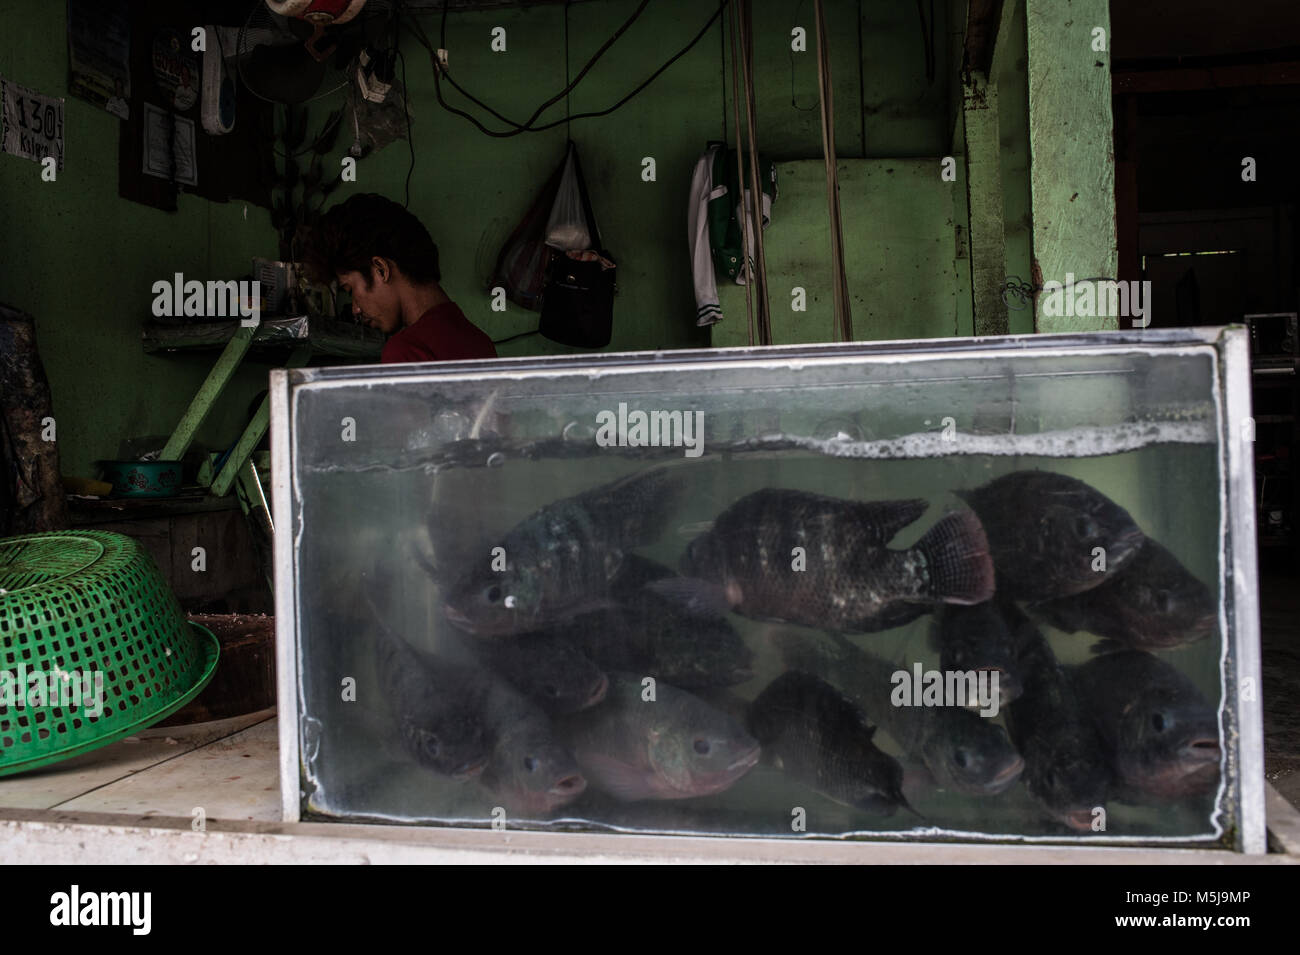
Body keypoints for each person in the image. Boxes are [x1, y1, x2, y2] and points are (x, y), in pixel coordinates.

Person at [303, 193, 498, 363]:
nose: (356, 308)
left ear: (381, 269)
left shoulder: (407, 350)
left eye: (350, 289)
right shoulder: (480, 341)